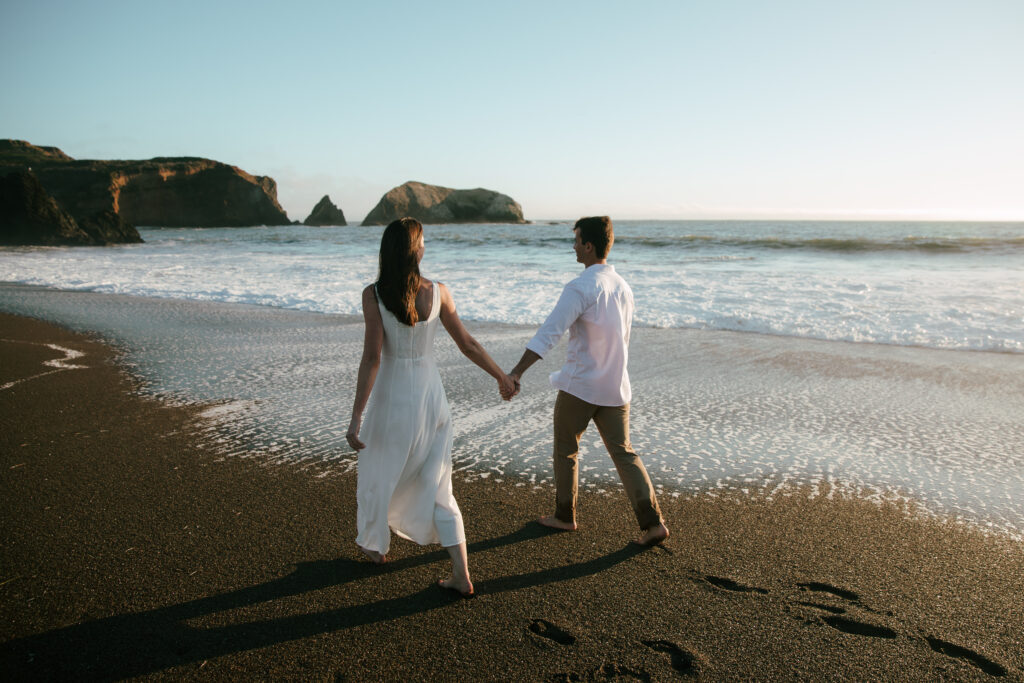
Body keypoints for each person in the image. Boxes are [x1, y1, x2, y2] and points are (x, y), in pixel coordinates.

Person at [347, 217, 516, 597]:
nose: (425, 246)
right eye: (422, 241)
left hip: (393, 399)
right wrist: (501, 377)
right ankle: (461, 573)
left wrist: (357, 415)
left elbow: (372, 359)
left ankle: (375, 547)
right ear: (413, 250)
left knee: (378, 471)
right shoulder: (439, 292)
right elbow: (468, 344)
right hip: (431, 399)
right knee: (440, 485)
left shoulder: (372, 294)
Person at [507, 216, 669, 546]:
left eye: (577, 240)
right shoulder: (623, 287)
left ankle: (565, 516)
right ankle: (653, 524)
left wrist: (516, 372)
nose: (573, 246)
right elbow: (622, 339)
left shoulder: (580, 287)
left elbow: (549, 334)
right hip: (616, 387)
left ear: (589, 246)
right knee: (625, 454)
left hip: (580, 386)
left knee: (566, 449)